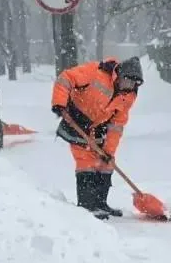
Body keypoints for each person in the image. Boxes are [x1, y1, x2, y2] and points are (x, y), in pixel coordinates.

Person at [50, 56, 144, 219]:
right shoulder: (96, 72)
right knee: (86, 162)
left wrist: (109, 152)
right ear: (120, 74)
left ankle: (100, 203)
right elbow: (66, 77)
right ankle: (87, 206)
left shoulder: (129, 95)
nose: (129, 86)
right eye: (128, 81)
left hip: (99, 128)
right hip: (76, 120)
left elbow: (117, 124)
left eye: (134, 84)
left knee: (106, 163)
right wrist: (59, 103)